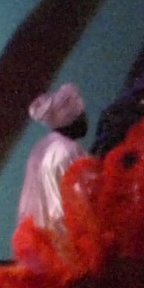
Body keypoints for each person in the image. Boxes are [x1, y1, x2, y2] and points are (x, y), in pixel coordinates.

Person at [10, 81, 92, 257]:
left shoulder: (42, 147)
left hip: (41, 246)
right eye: (82, 115)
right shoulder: (68, 151)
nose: (86, 120)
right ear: (72, 119)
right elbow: (76, 203)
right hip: (63, 248)